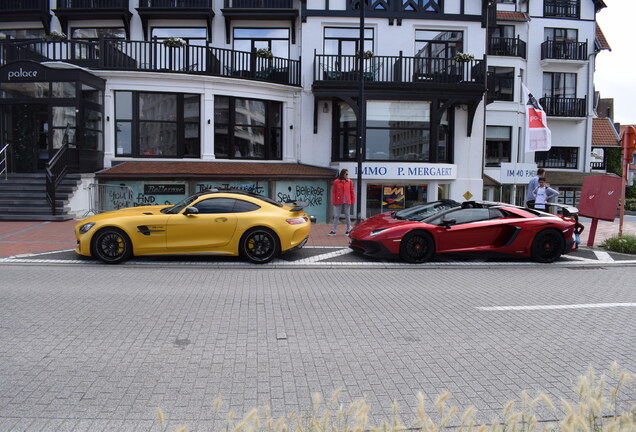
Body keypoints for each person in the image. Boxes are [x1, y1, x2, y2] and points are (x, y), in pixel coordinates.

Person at [329, 168, 356, 236]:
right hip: (339, 200)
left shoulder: (349, 181)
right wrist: (334, 201)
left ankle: (348, 229)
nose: (347, 175)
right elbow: (334, 192)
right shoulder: (336, 181)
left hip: (347, 200)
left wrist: (353, 200)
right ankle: (333, 230)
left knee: (347, 215)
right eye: (346, 174)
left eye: (347, 174)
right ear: (342, 174)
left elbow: (352, 191)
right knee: (336, 215)